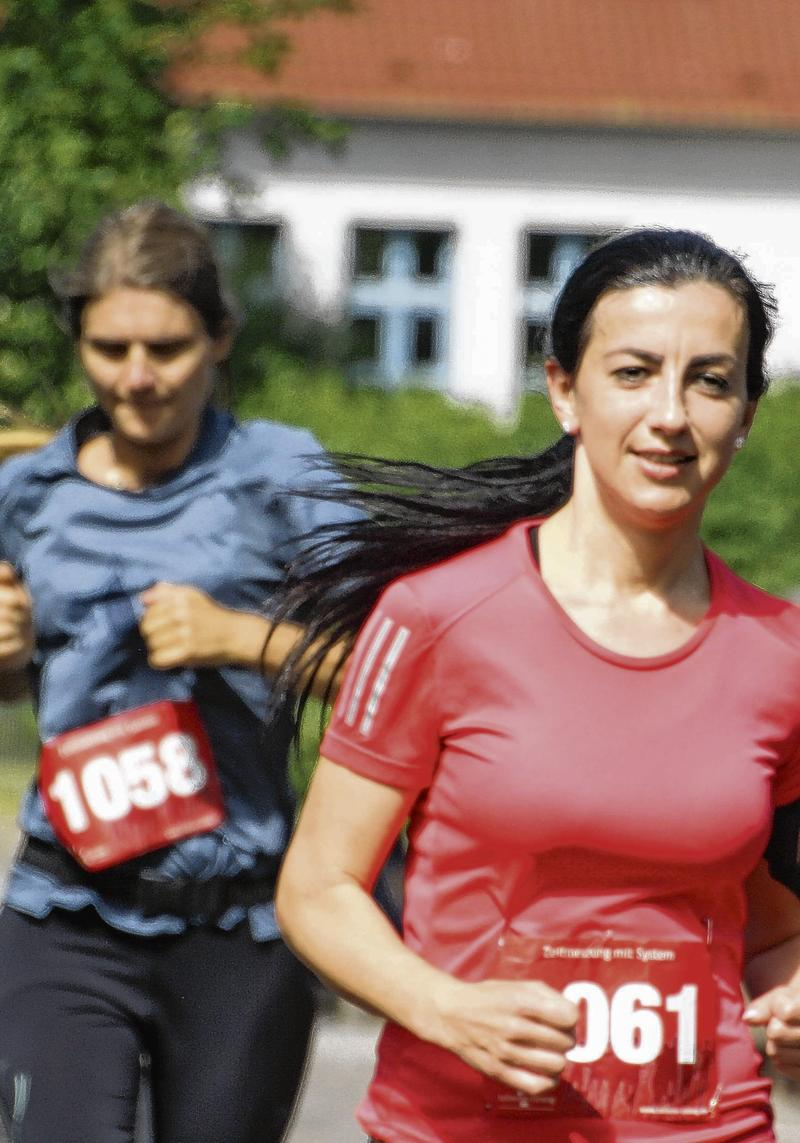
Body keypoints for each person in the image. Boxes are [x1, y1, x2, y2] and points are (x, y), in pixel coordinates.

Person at [274, 228, 800, 1143]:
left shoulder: (781, 654)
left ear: (747, 412)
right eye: (633, 372)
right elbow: (317, 889)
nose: (670, 414)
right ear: (565, 391)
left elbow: (772, 933)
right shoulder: (436, 616)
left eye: (710, 380)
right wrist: (444, 1007)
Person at [0, 200, 352, 1143]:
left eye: (168, 348)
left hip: (237, 922)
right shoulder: (26, 490)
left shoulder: (285, 474)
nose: (139, 377)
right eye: (111, 349)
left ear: (221, 337)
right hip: (66, 908)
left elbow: (391, 671)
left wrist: (244, 638)